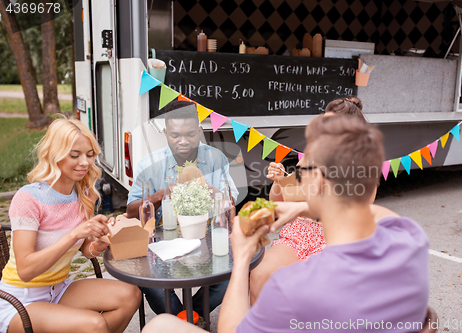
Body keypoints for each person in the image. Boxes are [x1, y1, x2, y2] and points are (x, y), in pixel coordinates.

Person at [141, 114, 430, 333]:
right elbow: (376, 212)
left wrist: (242, 258)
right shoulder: (409, 239)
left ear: (317, 181)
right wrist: (304, 206)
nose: (300, 176)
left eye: (303, 171)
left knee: (160, 326)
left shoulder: (294, 287)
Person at [0, 117, 141, 333]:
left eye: (89, 154)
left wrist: (100, 241)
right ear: (54, 154)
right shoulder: (28, 199)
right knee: (94, 325)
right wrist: (74, 234)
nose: (84, 162)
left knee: (131, 295)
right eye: (75, 155)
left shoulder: (84, 195)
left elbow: (87, 249)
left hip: (58, 290)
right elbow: (26, 270)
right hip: (20, 300)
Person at [249, 96, 367, 304]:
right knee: (259, 275)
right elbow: (280, 202)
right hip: (300, 232)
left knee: (312, 291)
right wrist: (279, 181)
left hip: (335, 239)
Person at [126, 100, 238, 316]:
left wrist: (216, 193)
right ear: (166, 132)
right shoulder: (149, 164)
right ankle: (184, 322)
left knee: (229, 277)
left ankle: (186, 320)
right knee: (152, 284)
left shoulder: (216, 159)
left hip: (208, 239)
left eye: (190, 134)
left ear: (199, 130)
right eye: (175, 136)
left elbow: (231, 201)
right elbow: (131, 210)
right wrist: (160, 195)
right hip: (161, 242)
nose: (183, 142)